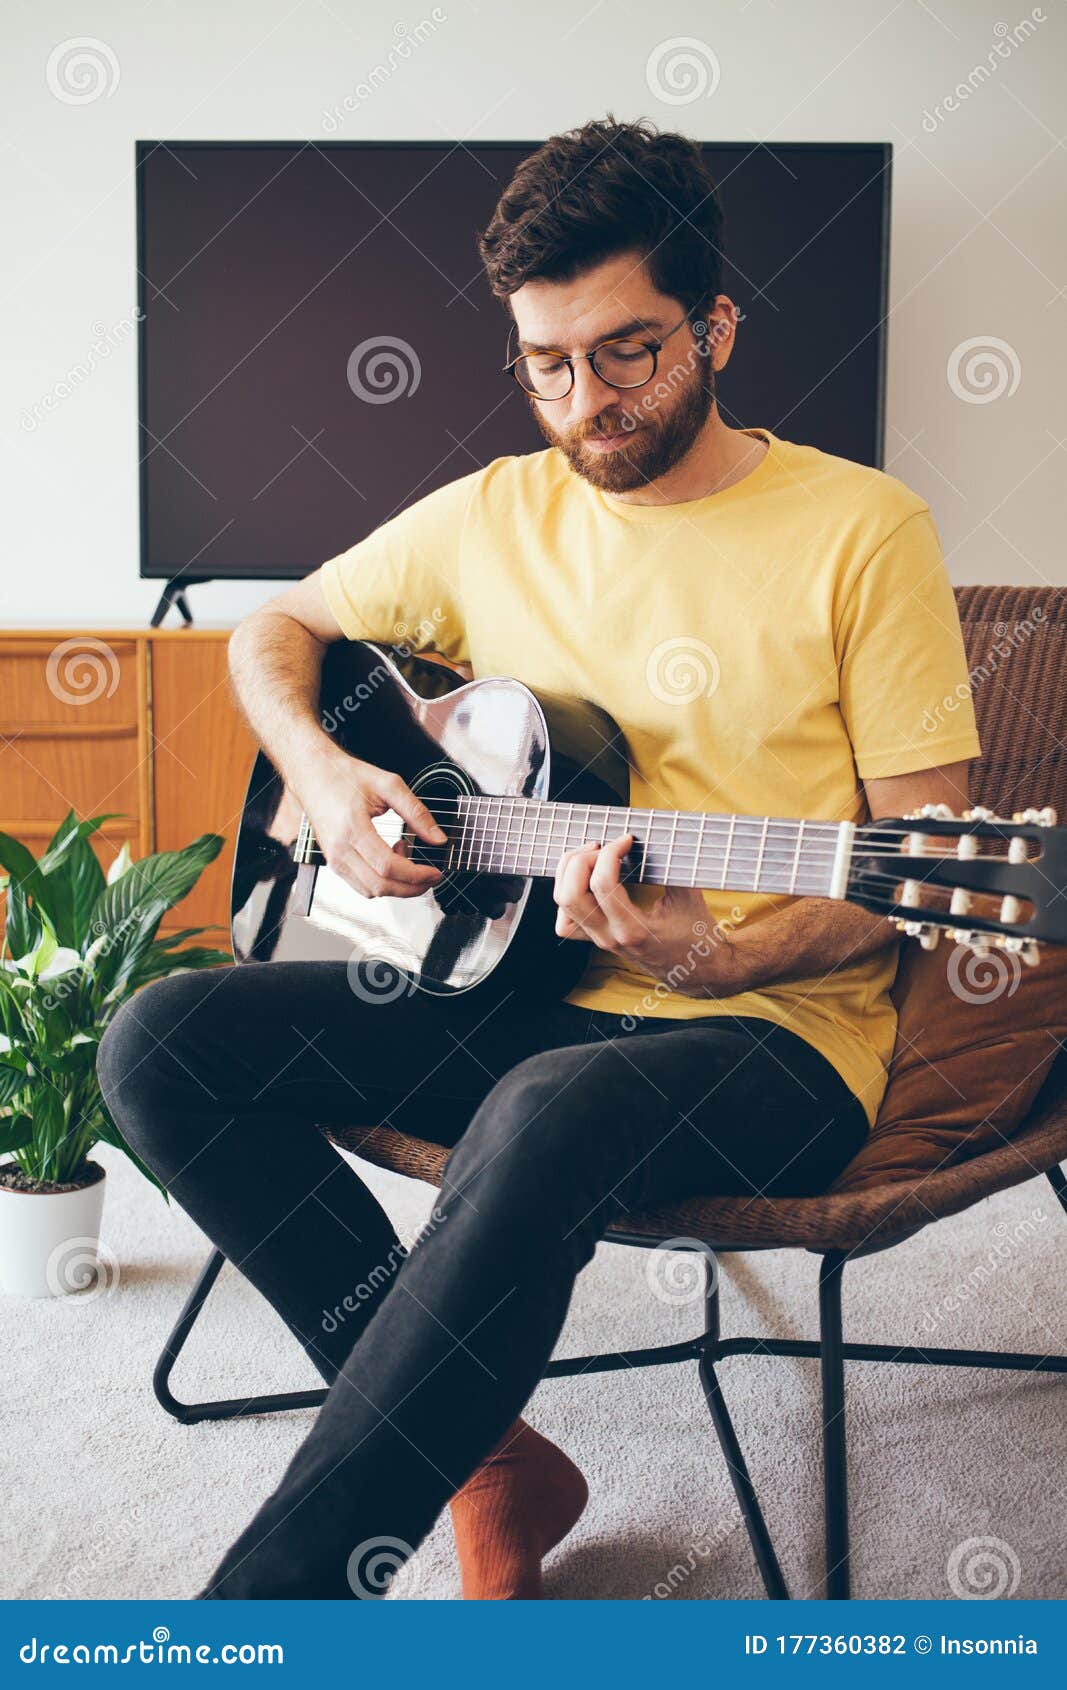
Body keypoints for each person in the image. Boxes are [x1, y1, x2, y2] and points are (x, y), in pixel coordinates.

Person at [97, 115, 981, 1600]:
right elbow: (274, 629)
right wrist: (323, 776)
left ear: (715, 325)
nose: (588, 401)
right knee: (158, 1041)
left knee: (548, 1108)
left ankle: (267, 1611)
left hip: (773, 1036)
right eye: (548, 362)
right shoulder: (499, 509)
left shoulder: (861, 530)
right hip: (530, 985)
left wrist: (724, 950)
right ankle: (484, 1452)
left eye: (628, 351)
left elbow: (925, 860)